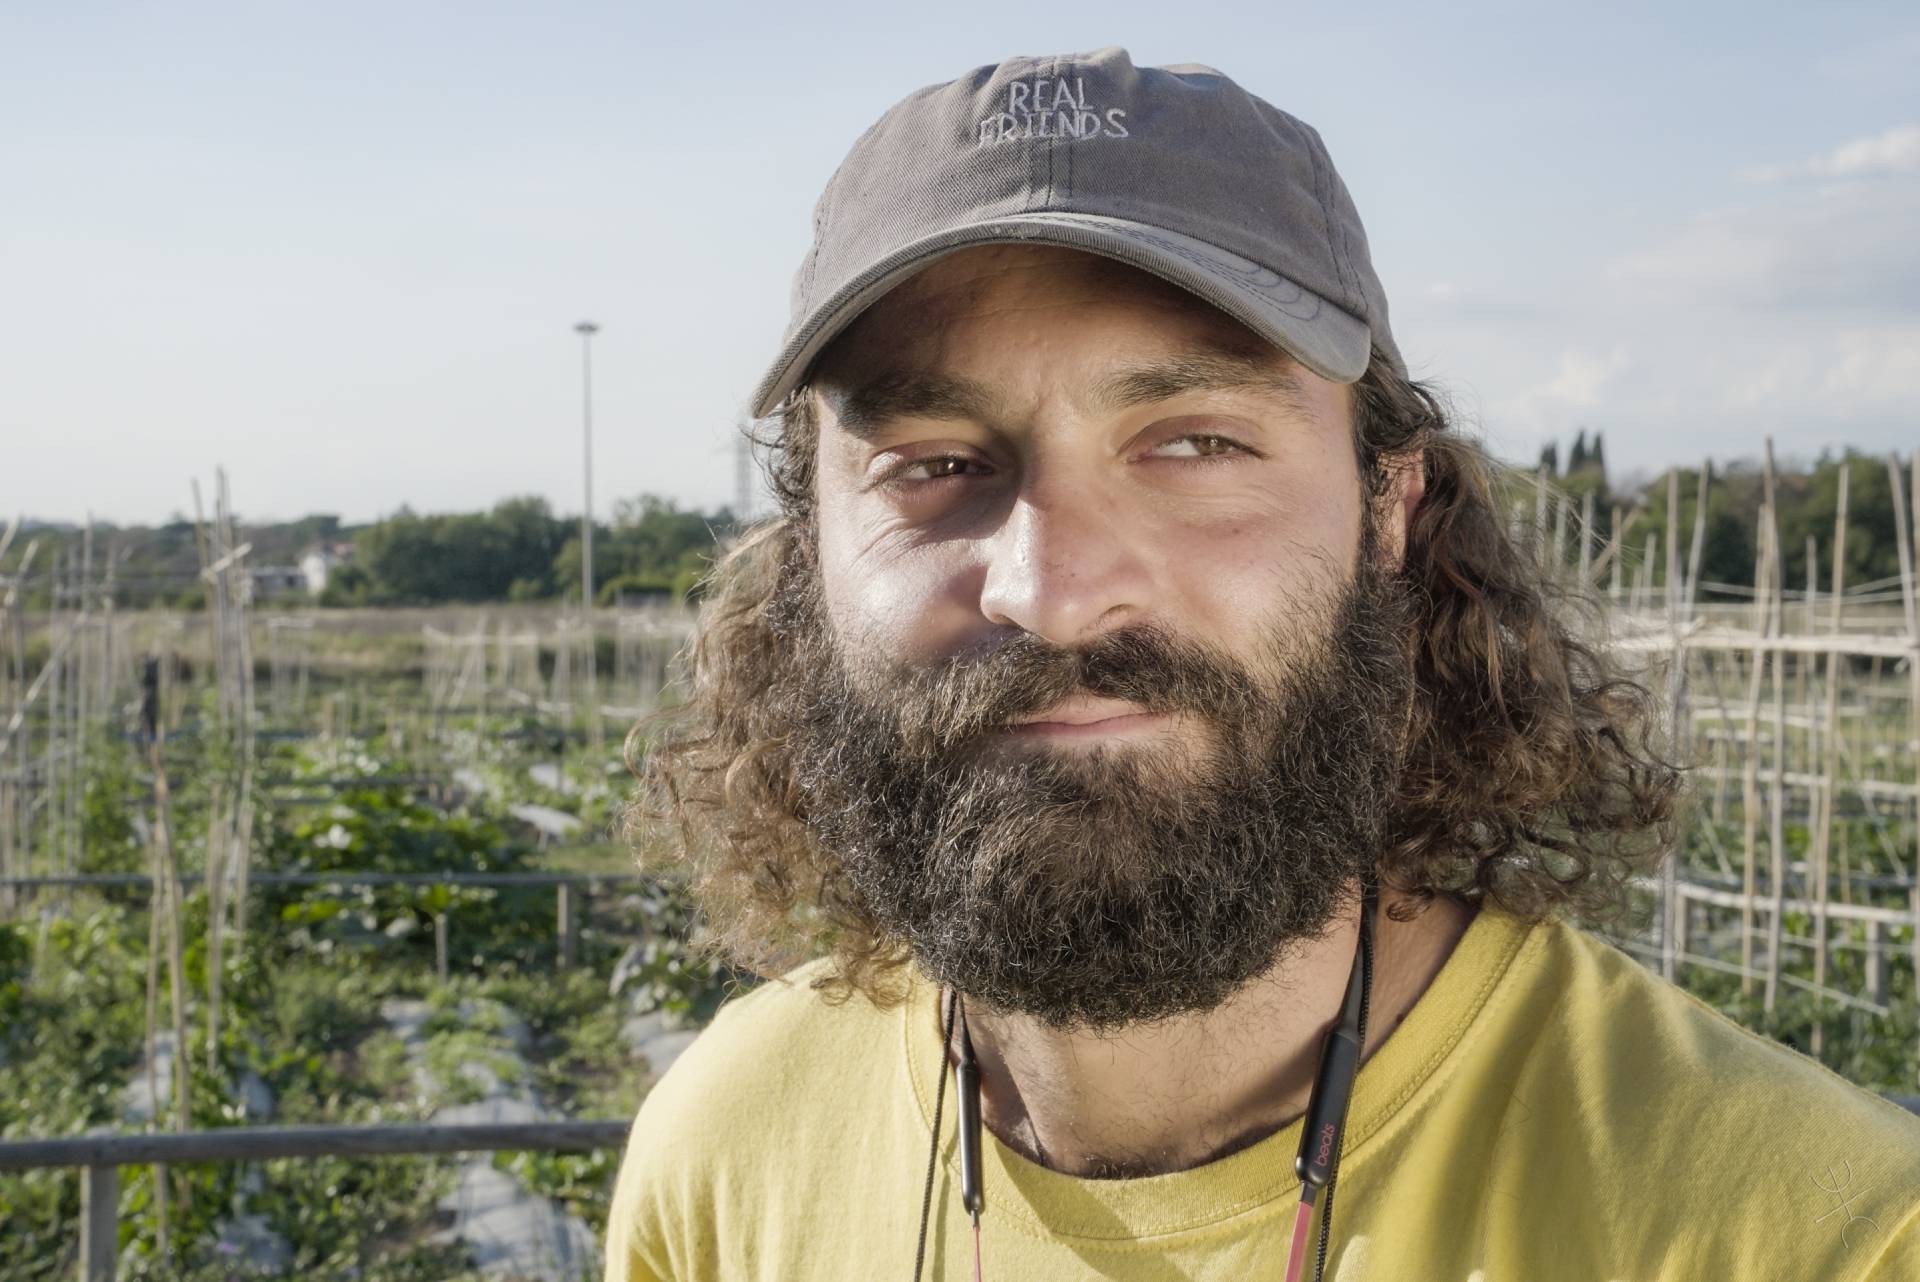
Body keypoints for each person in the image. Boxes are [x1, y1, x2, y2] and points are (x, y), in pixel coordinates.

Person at [605, 46, 1920, 1281]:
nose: (1054, 590)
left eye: (1194, 445)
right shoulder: (720, 1162)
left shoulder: (1814, 1232)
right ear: (808, 559)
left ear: (1390, 515)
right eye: (936, 465)